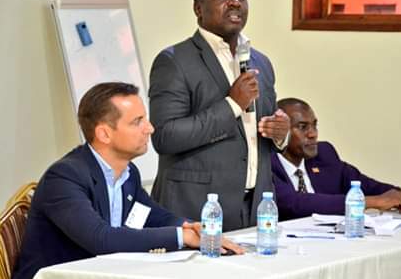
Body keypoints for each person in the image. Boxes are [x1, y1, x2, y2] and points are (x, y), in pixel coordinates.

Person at [13, 82, 243, 279]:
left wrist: (188, 226)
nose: (150, 128)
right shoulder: (65, 177)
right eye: (137, 122)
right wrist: (182, 237)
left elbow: (152, 215)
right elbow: (100, 239)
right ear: (104, 133)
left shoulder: (128, 172)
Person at [148, 0, 290, 231]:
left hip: (254, 208)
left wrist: (281, 134)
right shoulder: (174, 61)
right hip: (195, 209)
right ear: (198, 9)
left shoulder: (261, 62)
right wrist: (232, 105)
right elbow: (165, 137)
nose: (235, 1)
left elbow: (261, 134)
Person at [271, 97, 401, 221]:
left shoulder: (324, 154)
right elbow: (294, 203)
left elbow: (363, 184)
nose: (313, 134)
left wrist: (399, 194)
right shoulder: (267, 163)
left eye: (314, 125)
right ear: (279, 131)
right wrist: (371, 202)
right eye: (303, 127)